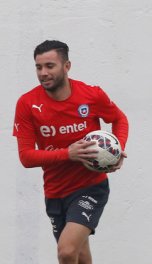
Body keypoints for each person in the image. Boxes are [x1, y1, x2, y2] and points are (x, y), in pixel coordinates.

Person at [13, 40, 129, 264]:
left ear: (67, 66)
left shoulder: (91, 95)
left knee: (66, 251)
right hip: (55, 192)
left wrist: (117, 148)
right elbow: (26, 157)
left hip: (91, 187)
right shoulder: (27, 104)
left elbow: (119, 119)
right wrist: (68, 153)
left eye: (50, 66)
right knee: (80, 256)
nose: (43, 73)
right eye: (39, 67)